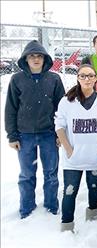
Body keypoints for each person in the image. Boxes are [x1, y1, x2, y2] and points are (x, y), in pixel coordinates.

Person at [5, 40, 65, 219]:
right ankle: (27, 207)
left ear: (45, 58)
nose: (36, 59)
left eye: (39, 56)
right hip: (25, 136)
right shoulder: (17, 79)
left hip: (48, 134)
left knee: (51, 173)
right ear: (25, 59)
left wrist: (60, 133)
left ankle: (51, 205)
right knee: (26, 175)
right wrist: (12, 135)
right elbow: (11, 108)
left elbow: (61, 108)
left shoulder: (54, 79)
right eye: (32, 56)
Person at [55, 64, 97, 232]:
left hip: (95, 156)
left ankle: (92, 220)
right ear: (78, 78)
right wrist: (68, 149)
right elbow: (59, 126)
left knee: (94, 187)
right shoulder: (67, 101)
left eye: (90, 76)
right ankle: (67, 226)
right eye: (83, 76)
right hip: (73, 158)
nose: (87, 79)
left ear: (95, 78)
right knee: (69, 191)